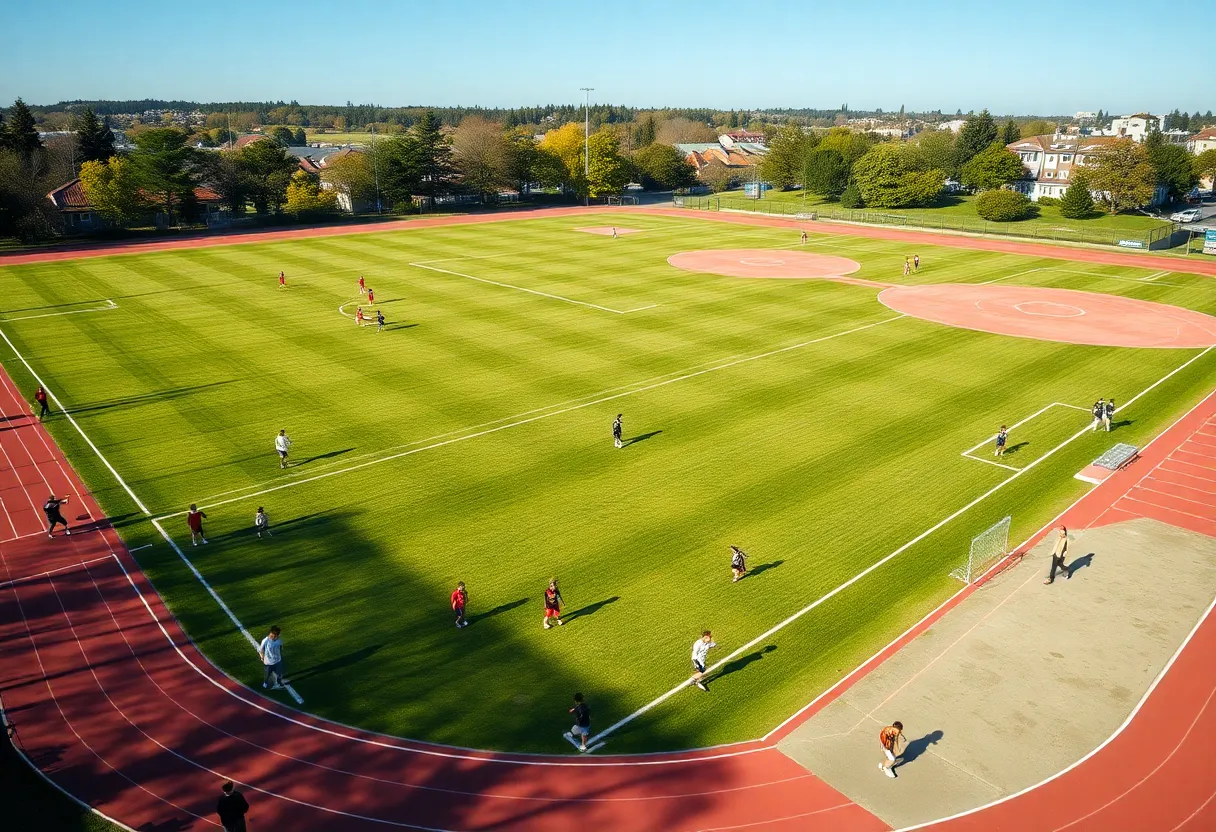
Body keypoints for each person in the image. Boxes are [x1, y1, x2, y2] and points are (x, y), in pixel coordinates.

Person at [258, 625, 287, 689]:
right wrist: (262, 657)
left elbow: (280, 648)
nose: (272, 638)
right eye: (271, 636)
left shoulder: (279, 641)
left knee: (279, 674)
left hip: (278, 661)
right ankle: (265, 684)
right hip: (268, 662)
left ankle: (278, 683)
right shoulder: (265, 641)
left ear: (278, 636)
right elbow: (261, 650)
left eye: (274, 636)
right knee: (267, 675)